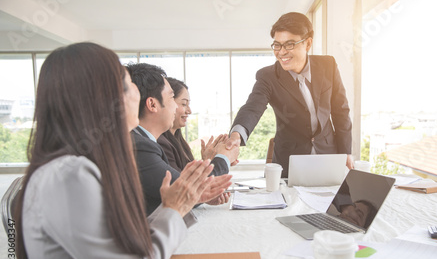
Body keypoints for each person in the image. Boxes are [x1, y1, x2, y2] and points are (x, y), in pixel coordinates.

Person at [14, 42, 220, 259]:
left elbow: (120, 245)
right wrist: (173, 210)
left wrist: (168, 208)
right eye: (126, 83)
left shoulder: (82, 166)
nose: (135, 90)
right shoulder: (69, 176)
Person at [226, 12, 354, 177]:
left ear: (308, 44)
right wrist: (236, 135)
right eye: (277, 45)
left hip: (329, 154)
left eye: (289, 44)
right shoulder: (268, 76)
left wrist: (346, 151)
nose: (281, 52)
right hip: (289, 161)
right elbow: (252, 107)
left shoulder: (328, 66)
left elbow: (341, 110)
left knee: (330, 200)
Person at [126, 63, 234, 215]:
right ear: (152, 104)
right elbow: (184, 189)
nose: (177, 108)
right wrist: (224, 156)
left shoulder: (142, 140)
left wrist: (199, 197)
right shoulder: (140, 147)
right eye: (171, 99)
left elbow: (180, 193)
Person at [157, 77, 236, 174]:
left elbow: (191, 179)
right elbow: (183, 185)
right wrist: (224, 157)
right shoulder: (161, 143)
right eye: (184, 104)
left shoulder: (179, 142)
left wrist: (207, 161)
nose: (189, 111)